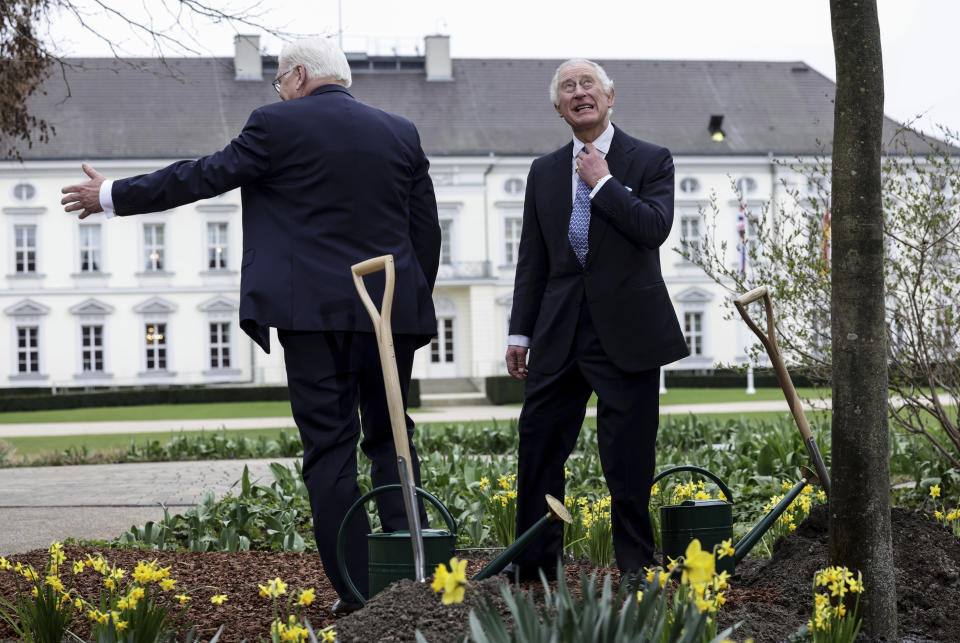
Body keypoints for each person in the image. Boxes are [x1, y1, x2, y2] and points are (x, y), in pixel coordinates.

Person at [60, 37, 441, 614]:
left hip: (311, 317)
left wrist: (111, 195)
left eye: (280, 82)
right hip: (388, 308)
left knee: (331, 450)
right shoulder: (400, 131)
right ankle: (411, 580)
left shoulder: (277, 124)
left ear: (299, 76)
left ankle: (361, 593)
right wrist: (411, 300)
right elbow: (425, 230)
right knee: (393, 437)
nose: (279, 91)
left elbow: (202, 176)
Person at [504, 58, 689, 584]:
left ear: (610, 97)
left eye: (588, 84)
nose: (579, 92)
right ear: (559, 108)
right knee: (538, 445)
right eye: (568, 87)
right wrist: (521, 331)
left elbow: (653, 228)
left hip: (627, 332)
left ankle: (635, 566)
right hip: (557, 333)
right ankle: (535, 568)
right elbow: (532, 259)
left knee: (628, 455)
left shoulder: (652, 160)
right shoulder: (542, 171)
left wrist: (604, 183)